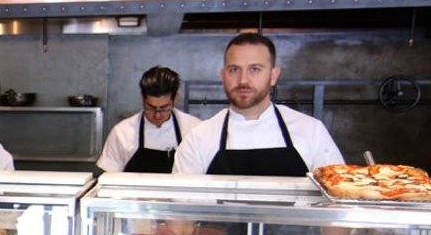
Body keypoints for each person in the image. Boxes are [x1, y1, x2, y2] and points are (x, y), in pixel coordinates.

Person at [173, 32, 343, 176]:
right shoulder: (198, 139)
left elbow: (338, 195)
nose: (243, 80)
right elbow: (181, 205)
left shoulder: (311, 132)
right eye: (234, 70)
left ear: (273, 76)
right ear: (223, 75)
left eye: (255, 69)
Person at [97, 66, 201, 173]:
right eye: (151, 107)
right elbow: (109, 178)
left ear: (175, 99)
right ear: (142, 98)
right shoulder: (122, 133)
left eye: (164, 108)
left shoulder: (194, 129)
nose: (157, 115)